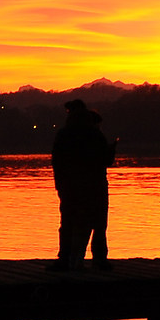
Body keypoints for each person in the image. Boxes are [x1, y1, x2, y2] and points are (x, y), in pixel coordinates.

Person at [49, 98, 115, 268]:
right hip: (95, 185)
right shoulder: (95, 134)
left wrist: (60, 185)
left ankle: (65, 259)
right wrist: (112, 150)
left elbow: (56, 161)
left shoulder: (64, 134)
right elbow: (106, 160)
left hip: (70, 185)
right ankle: (99, 260)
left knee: (68, 223)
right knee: (98, 223)